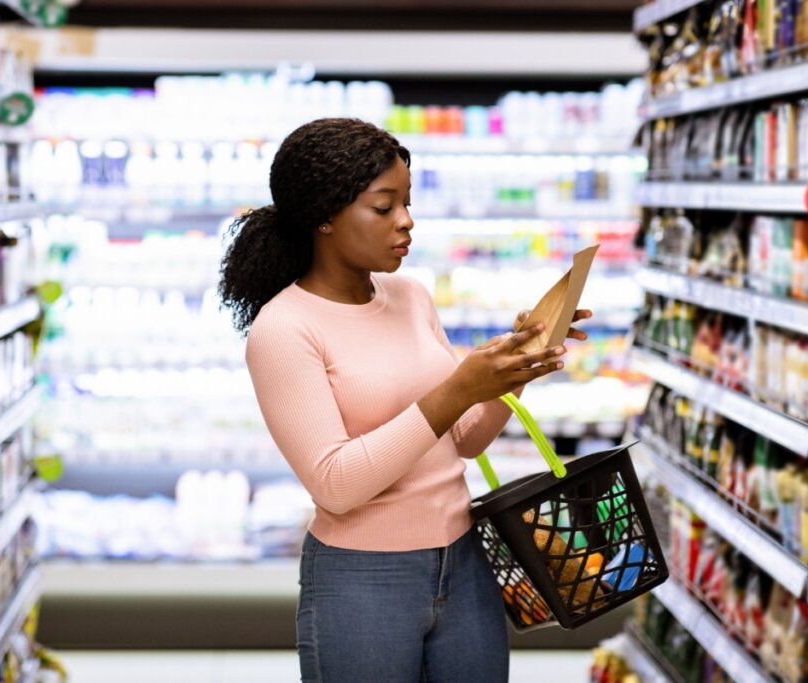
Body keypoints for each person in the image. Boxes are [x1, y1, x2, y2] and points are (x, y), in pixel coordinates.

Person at [219, 117, 591, 682]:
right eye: (384, 206)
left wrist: (515, 370)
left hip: (466, 562)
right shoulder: (285, 328)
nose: (407, 221)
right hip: (361, 581)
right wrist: (459, 388)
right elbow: (335, 484)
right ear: (323, 216)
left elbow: (462, 441)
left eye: (408, 203)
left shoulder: (411, 296)